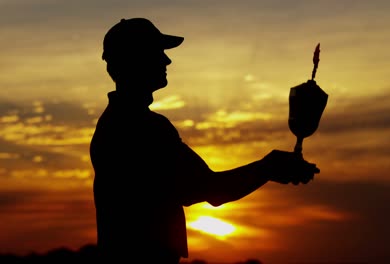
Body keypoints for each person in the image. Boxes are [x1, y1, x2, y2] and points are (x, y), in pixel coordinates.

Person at [90, 17, 321, 264]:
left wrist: (270, 168)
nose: (167, 60)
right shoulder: (142, 127)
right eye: (158, 52)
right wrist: (269, 167)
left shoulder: (116, 123)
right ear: (135, 59)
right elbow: (210, 189)